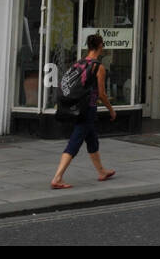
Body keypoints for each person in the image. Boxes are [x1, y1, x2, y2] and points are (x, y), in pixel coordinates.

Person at [50, 34, 117, 189]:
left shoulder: (79, 63)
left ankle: (102, 172)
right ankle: (57, 177)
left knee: (92, 139)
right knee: (76, 140)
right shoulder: (98, 67)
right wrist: (111, 110)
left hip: (78, 107)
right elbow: (101, 93)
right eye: (103, 44)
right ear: (100, 46)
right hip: (88, 109)